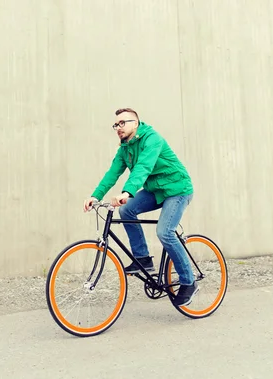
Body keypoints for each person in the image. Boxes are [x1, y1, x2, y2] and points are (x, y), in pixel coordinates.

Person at [83, 108, 198, 307]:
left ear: (136, 123)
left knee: (165, 232)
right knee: (126, 211)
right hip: (155, 189)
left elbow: (143, 167)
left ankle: (189, 281)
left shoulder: (152, 139)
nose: (118, 128)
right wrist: (95, 196)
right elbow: (112, 173)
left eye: (123, 123)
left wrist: (127, 192)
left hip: (177, 189)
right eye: (116, 125)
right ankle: (143, 258)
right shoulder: (125, 148)